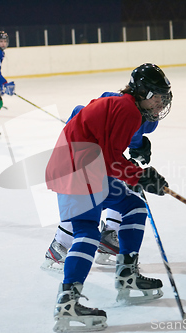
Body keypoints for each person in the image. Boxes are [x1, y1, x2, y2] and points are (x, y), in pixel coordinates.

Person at [45, 63, 172, 332]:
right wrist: (140, 176)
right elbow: (110, 158)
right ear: (145, 93)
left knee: (134, 206)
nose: (162, 103)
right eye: (159, 96)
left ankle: (127, 275)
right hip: (78, 170)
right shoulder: (127, 109)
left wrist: (137, 172)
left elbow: (109, 152)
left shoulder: (125, 105)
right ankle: (68, 303)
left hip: (86, 168)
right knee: (87, 232)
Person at [41, 91, 158, 272]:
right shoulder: (125, 109)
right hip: (81, 163)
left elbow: (125, 140)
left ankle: (108, 236)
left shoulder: (139, 114)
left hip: (96, 160)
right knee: (87, 210)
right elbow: (81, 112)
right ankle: (62, 244)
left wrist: (137, 147)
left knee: (123, 191)